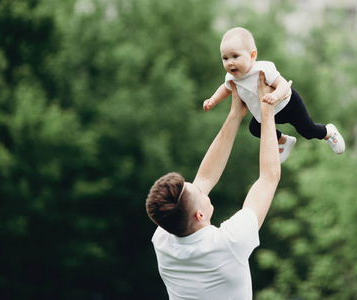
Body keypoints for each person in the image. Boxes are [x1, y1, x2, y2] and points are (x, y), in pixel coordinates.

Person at [146, 72, 281, 299]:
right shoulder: (228, 243)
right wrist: (267, 111)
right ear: (199, 214)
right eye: (198, 191)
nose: (201, 186)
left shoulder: (164, 239)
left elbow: (206, 177)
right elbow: (269, 177)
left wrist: (235, 114)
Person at [203, 27, 345, 163]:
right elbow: (226, 89)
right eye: (225, 58)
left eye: (235, 56)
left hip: (289, 105)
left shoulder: (262, 69)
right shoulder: (231, 78)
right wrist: (213, 100)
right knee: (254, 128)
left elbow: (283, 84)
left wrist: (276, 96)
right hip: (267, 113)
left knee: (308, 131)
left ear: (252, 55)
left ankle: (329, 133)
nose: (230, 63)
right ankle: (283, 141)